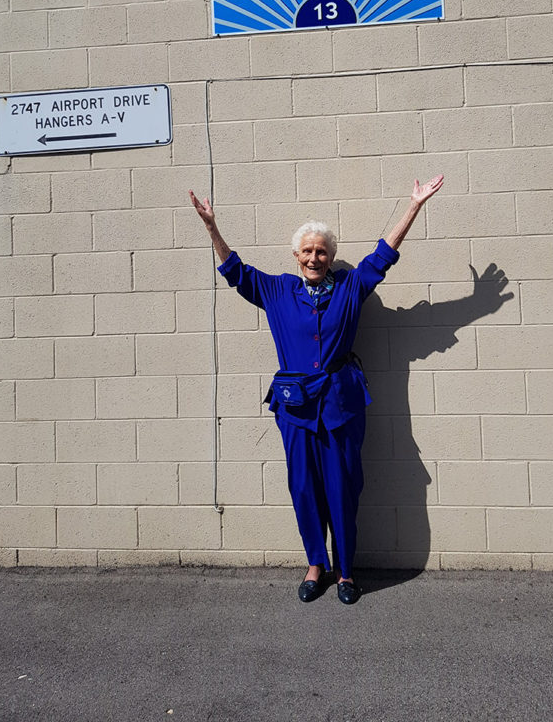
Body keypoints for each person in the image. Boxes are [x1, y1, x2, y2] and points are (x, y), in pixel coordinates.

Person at [189, 175, 444, 605]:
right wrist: (212, 227)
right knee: (304, 487)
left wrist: (413, 206)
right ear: (295, 256)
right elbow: (234, 270)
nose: (313, 257)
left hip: (341, 405)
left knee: (343, 486)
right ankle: (314, 564)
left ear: (331, 257)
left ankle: (345, 571)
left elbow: (384, 255)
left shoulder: (350, 288)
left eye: (321, 251)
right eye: (306, 250)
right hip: (295, 408)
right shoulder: (276, 290)